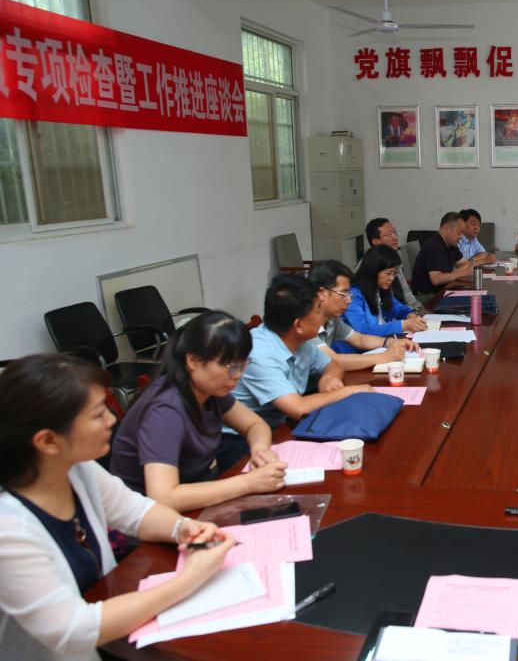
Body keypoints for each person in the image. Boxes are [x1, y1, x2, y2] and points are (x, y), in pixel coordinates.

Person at [0, 354, 236, 661]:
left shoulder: (77, 469)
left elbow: (137, 512)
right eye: (98, 414)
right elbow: (74, 631)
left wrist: (183, 528)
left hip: (113, 633)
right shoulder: (9, 529)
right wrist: (189, 579)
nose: (112, 419)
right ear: (47, 441)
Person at [109, 312, 288, 511]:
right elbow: (163, 497)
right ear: (193, 360)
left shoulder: (209, 389)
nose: (237, 375)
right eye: (230, 366)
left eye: (243, 365)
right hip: (144, 517)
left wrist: (260, 450)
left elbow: (255, 424)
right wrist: (248, 483)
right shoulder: (165, 411)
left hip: (194, 495)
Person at [231, 274, 370, 433]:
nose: (321, 316)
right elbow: (298, 409)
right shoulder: (259, 354)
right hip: (246, 438)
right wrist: (350, 391)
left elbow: (332, 364)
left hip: (284, 424)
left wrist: (328, 378)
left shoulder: (298, 339)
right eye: (318, 310)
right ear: (298, 325)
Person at [308, 259, 419, 362]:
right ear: (322, 293)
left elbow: (359, 339)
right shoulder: (305, 323)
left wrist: (391, 342)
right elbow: (333, 361)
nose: (349, 300)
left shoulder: (333, 320)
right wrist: (385, 356)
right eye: (343, 293)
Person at [345, 245, 427, 338]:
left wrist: (410, 315)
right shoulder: (352, 297)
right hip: (367, 346)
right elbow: (363, 333)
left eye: (394, 273)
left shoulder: (380, 288)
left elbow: (396, 306)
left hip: (385, 342)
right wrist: (403, 325)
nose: (392, 278)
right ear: (373, 271)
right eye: (388, 273)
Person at [364, 218, 423, 313]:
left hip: (405, 312)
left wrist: (418, 308)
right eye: (389, 234)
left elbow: (406, 291)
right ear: (376, 241)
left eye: (395, 232)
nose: (395, 238)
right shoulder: (369, 266)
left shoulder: (393, 259)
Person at [411, 212, 474, 299]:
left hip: (443, 290)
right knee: (471, 301)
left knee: (476, 297)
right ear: (447, 228)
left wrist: (452, 275)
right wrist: (462, 273)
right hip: (427, 297)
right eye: (459, 233)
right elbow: (436, 279)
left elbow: (465, 264)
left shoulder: (451, 244)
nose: (461, 237)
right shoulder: (434, 246)